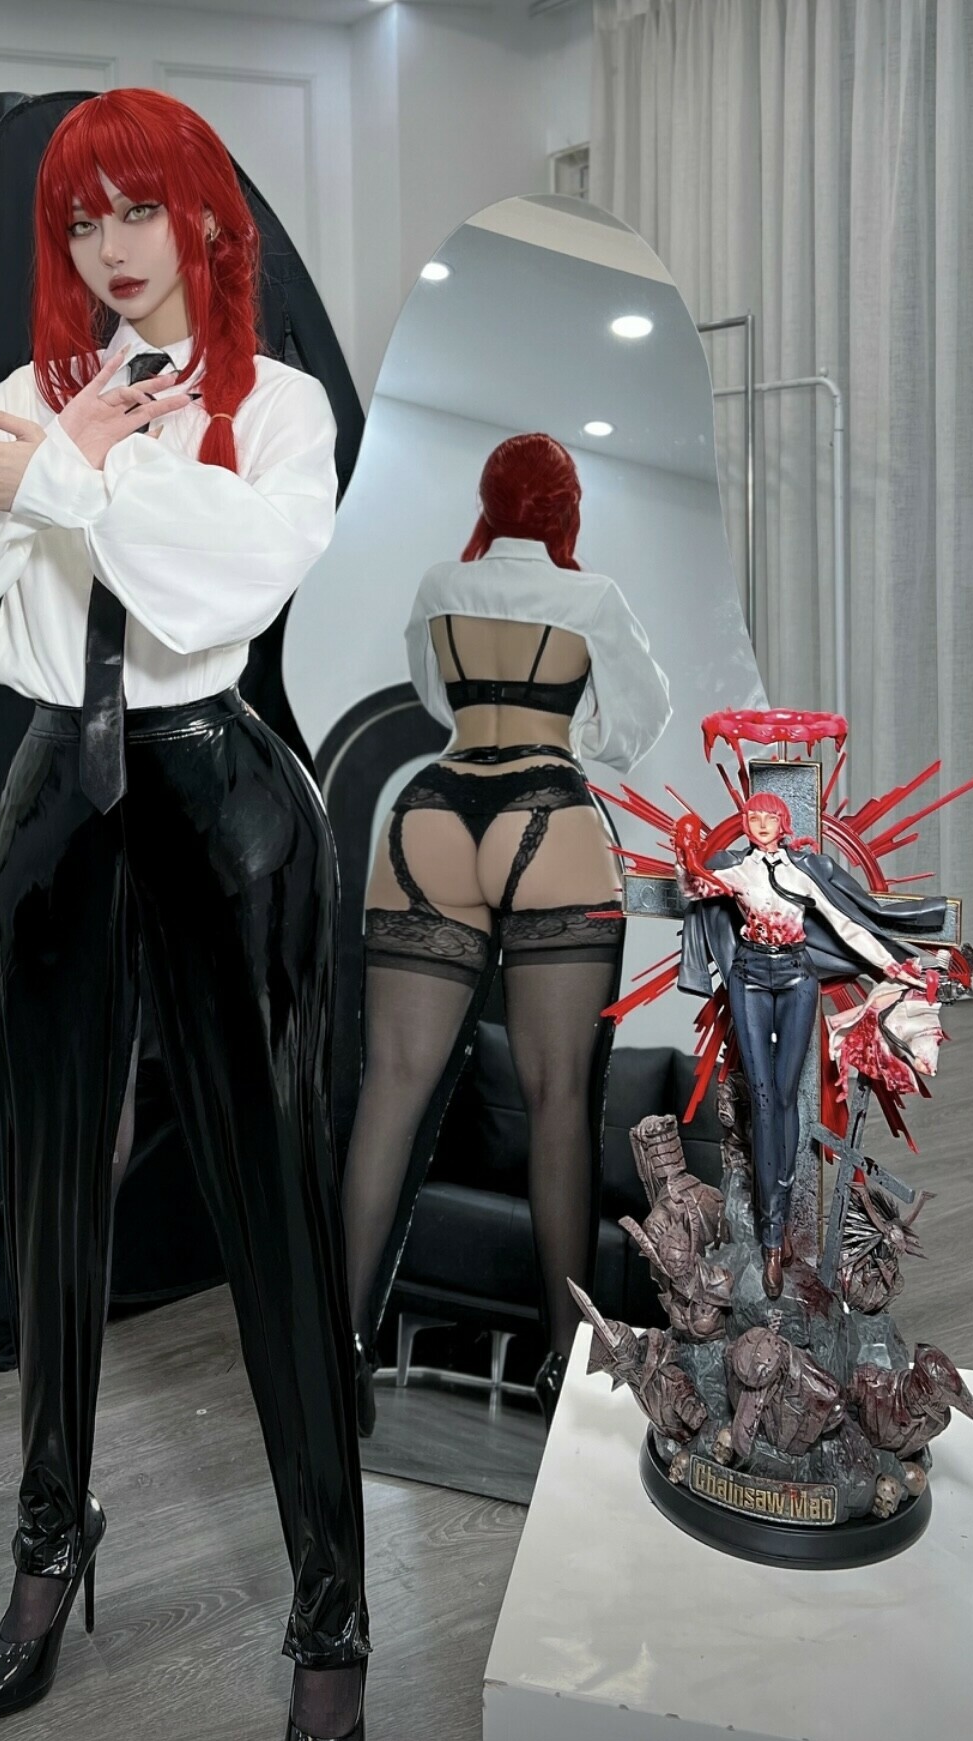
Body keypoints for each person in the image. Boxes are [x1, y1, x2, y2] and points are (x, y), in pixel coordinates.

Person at [0, 87, 367, 1741]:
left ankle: (331, 1604)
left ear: (206, 217)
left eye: (136, 208)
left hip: (223, 801)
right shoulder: (44, 389)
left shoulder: (276, 405)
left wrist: (63, 482)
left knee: (270, 1201)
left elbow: (234, 580)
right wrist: (59, 467)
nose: (109, 246)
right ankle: (48, 1537)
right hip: (54, 799)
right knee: (52, 1186)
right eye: (80, 220)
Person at [340, 434, 672, 1434]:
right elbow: (638, 723)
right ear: (566, 511)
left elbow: (431, 698)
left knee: (390, 1093)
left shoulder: (441, 585)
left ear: (489, 502)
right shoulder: (593, 598)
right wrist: (573, 736)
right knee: (560, 1100)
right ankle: (564, 1365)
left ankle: (338, 1348)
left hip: (433, 810)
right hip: (548, 811)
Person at [674, 791, 943, 1300]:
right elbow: (694, 887)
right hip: (750, 976)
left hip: (797, 976)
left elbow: (847, 925)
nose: (759, 824)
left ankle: (777, 1212)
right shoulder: (739, 870)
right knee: (762, 1098)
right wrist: (685, 848)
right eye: (753, 817)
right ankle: (772, 1236)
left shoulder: (802, 872)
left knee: (783, 1091)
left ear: (782, 823)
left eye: (769, 817)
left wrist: (895, 966)